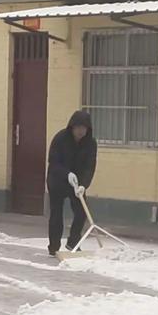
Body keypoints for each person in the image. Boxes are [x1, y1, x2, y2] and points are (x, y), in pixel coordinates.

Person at [46, 110, 97, 256]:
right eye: (78, 128)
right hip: (57, 179)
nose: (81, 131)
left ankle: (73, 242)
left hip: (77, 183)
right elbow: (54, 162)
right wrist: (66, 174)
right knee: (56, 213)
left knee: (82, 210)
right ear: (72, 127)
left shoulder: (90, 144)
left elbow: (90, 166)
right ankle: (54, 246)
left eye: (84, 128)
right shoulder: (60, 138)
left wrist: (83, 185)